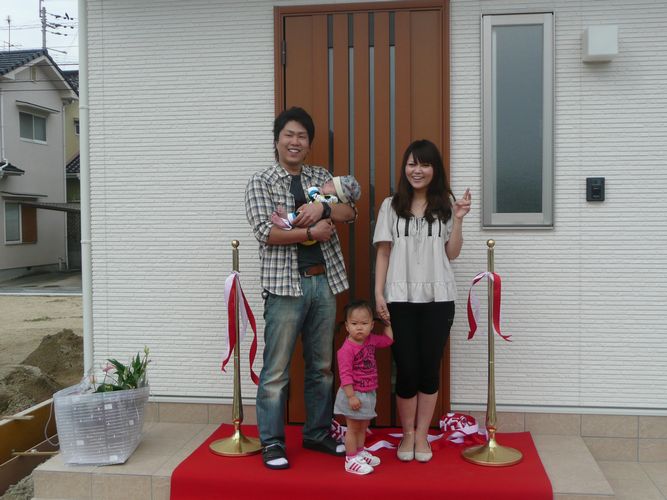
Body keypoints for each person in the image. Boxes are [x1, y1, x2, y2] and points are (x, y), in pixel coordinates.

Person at [245, 107, 357, 470]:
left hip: (323, 281)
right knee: (276, 371)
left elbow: (350, 213)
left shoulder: (321, 177)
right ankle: (272, 442)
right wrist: (309, 231)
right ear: (277, 140)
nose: (295, 142)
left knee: (322, 367)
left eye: (302, 136)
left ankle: (317, 432)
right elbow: (265, 232)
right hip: (283, 287)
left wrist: (321, 210)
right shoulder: (262, 181)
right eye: (289, 135)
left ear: (309, 144)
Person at [373, 139, 471, 463]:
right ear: (405, 168)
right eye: (412, 163)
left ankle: (422, 435)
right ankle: (407, 434)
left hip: (438, 298)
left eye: (425, 164)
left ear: (435, 169)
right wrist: (379, 294)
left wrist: (458, 219)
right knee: (406, 369)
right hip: (399, 298)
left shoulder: (446, 205)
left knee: (429, 369)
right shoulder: (391, 205)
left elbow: (452, 253)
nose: (418, 170)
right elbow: (383, 251)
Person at [333, 300, 393, 475]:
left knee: (362, 426)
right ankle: (351, 459)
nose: (359, 328)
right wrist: (351, 396)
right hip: (353, 393)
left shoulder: (371, 340)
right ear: (347, 326)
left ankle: (359, 452)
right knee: (353, 428)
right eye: (354, 324)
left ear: (372, 325)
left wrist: (387, 323)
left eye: (364, 323)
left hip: (368, 392)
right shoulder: (346, 350)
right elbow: (345, 376)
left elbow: (388, 340)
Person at [271, 175, 361, 245]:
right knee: (304, 214)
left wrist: (317, 192)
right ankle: (286, 222)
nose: (326, 182)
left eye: (330, 184)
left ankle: (287, 220)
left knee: (303, 214)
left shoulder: (331, 199)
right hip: (309, 232)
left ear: (337, 194)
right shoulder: (330, 198)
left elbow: (313, 195)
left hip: (312, 228)